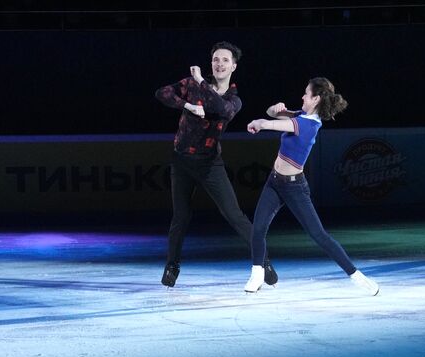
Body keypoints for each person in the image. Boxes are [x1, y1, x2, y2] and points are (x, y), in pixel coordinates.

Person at [154, 41, 276, 289]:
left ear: (233, 66)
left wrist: (201, 83)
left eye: (224, 60)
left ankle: (263, 262)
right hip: (181, 161)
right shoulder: (191, 85)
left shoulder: (234, 100)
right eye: (215, 59)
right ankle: (172, 265)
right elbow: (162, 93)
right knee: (181, 216)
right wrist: (187, 104)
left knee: (234, 215)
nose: (218, 64)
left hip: (210, 163)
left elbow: (218, 108)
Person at [243, 77, 378, 296]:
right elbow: (274, 114)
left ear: (315, 99)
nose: (303, 96)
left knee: (319, 235)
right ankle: (257, 274)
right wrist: (274, 108)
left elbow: (275, 123)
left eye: (306, 93)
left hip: (295, 188)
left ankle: (356, 276)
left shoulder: (310, 124)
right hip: (274, 182)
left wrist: (263, 123)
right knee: (257, 229)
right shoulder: (300, 115)